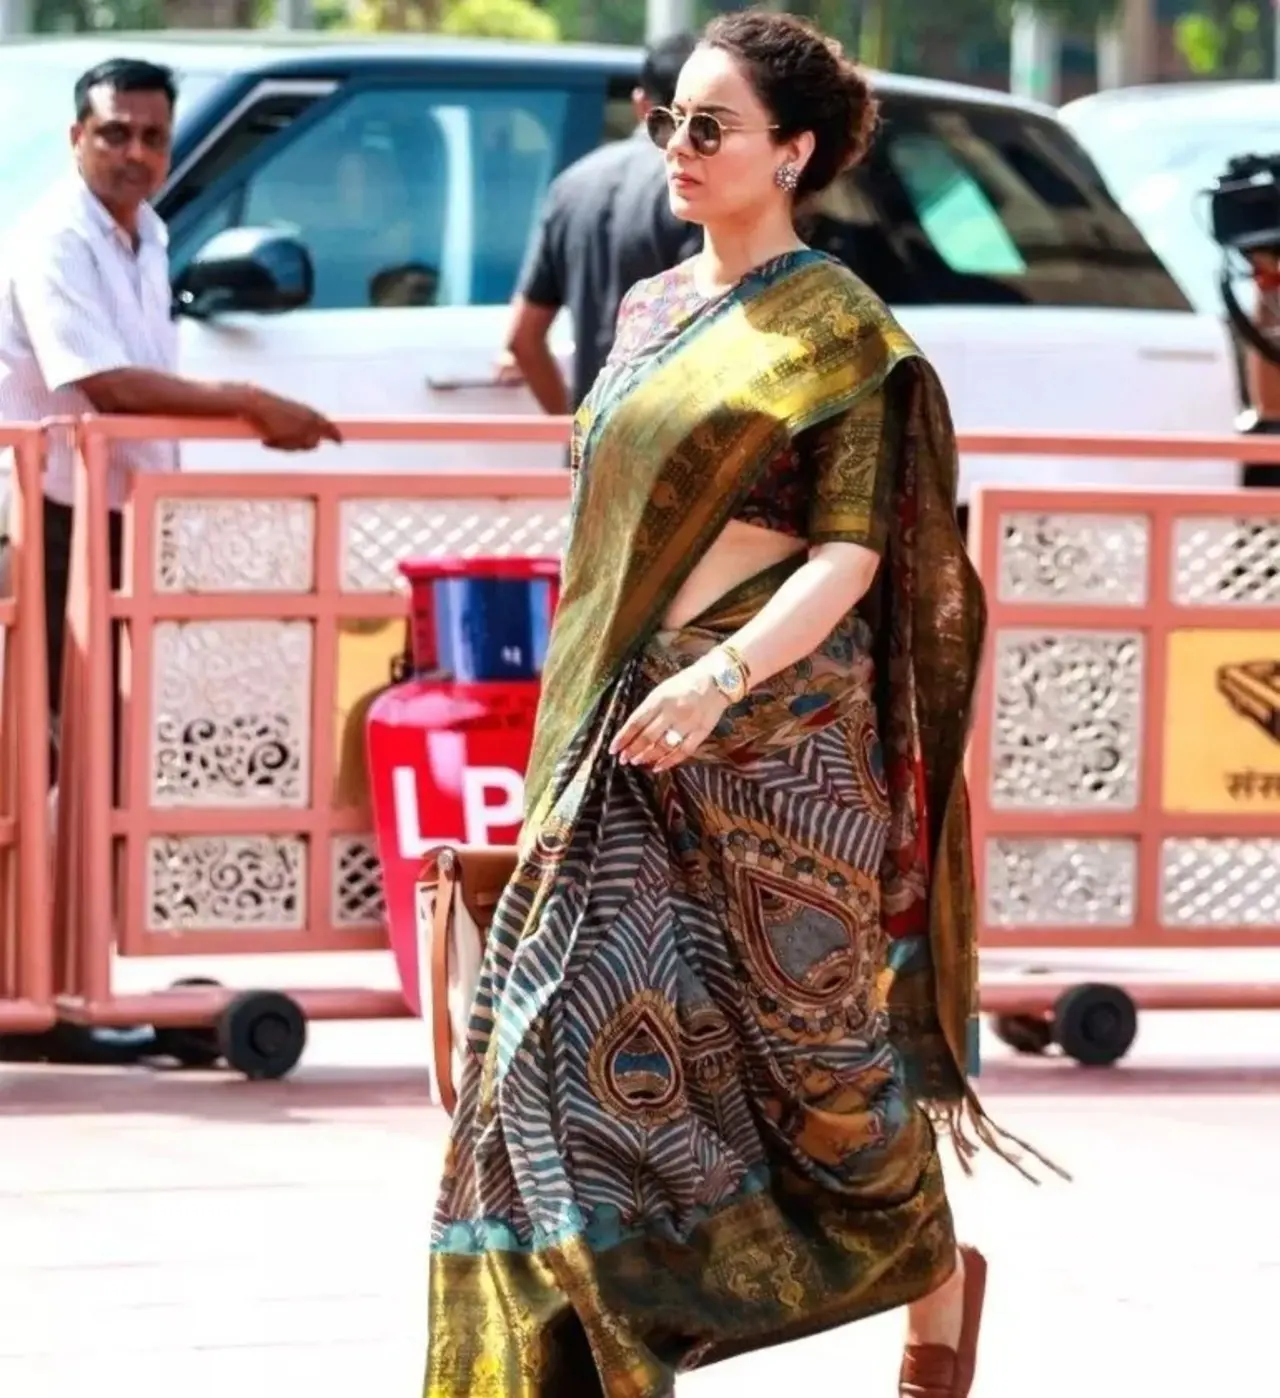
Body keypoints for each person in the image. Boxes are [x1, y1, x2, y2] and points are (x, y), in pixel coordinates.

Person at [425, 14, 1060, 1398]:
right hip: (626, 736)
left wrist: (720, 675)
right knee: (551, 1048)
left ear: (796, 152)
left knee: (818, 1082)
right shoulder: (652, 307)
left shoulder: (837, 329)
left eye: (712, 129)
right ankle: (588, 1352)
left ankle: (937, 1284)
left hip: (775, 744)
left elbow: (853, 551)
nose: (680, 149)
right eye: (673, 124)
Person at [0, 57, 340, 775]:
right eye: (115, 134)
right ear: (76, 136)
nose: (136, 154)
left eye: (153, 138)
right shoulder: (56, 237)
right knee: (46, 740)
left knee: (108, 733)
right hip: (47, 514)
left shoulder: (144, 233)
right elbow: (106, 385)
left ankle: (92, 890)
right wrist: (250, 404)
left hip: (115, 509)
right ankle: (50, 890)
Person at [505, 31, 703, 415]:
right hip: (671, 449)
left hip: (593, 454)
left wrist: (576, 425)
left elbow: (523, 340)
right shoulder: (696, 188)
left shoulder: (571, 184)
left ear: (640, 104)